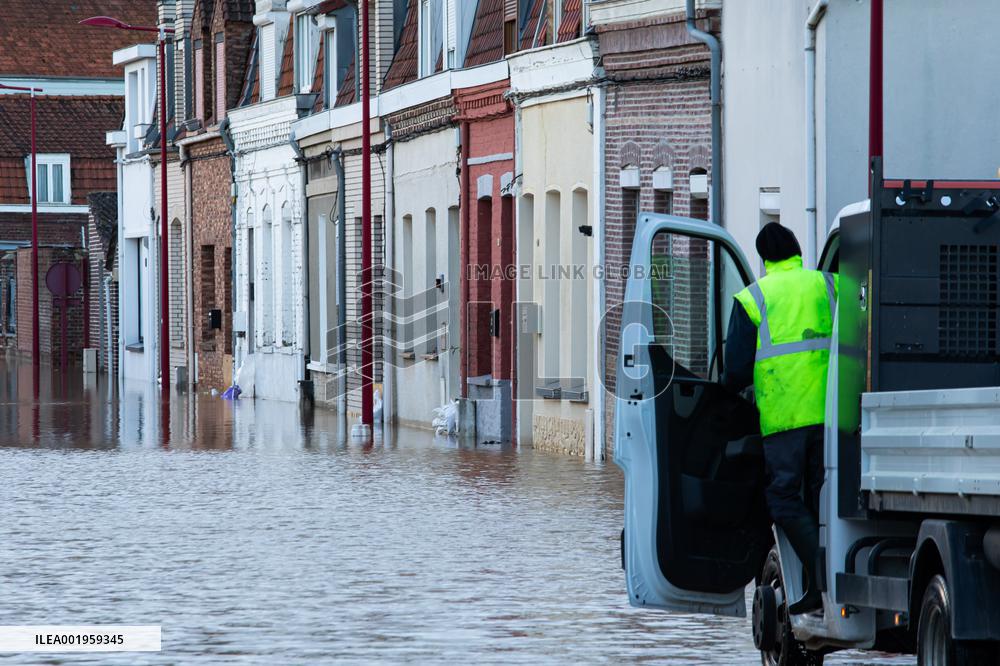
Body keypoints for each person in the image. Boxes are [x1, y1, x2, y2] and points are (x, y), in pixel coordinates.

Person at [722, 222, 838, 615]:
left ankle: (819, 577)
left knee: (783, 498)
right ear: (797, 249)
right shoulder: (829, 284)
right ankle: (822, 582)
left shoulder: (754, 297)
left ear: (764, 258)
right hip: (833, 416)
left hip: (784, 420)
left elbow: (735, 371)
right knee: (824, 497)